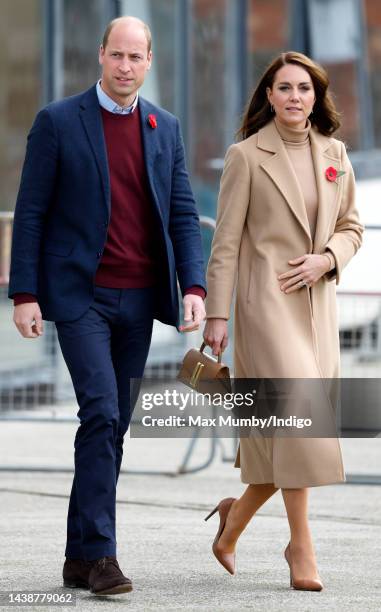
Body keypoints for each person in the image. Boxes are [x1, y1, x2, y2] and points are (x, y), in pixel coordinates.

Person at [9, 16, 206, 596]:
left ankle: (77, 554)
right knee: (99, 411)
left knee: (112, 425)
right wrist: (25, 294)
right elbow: (32, 212)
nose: (124, 66)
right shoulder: (58, 122)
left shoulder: (163, 127)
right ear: (100, 56)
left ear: (149, 62)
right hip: (80, 298)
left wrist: (193, 287)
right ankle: (102, 557)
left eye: (135, 57)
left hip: (140, 300)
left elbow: (182, 215)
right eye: (115, 55)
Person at [203, 51, 363, 590]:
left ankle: (232, 524)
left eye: (305, 88)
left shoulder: (335, 153)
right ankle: (301, 547)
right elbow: (225, 243)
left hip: (319, 312)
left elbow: (352, 227)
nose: (295, 97)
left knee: (284, 436)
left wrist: (328, 258)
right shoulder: (246, 156)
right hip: (264, 309)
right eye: (284, 88)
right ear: (268, 96)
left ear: (316, 97)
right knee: (300, 424)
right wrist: (217, 317)